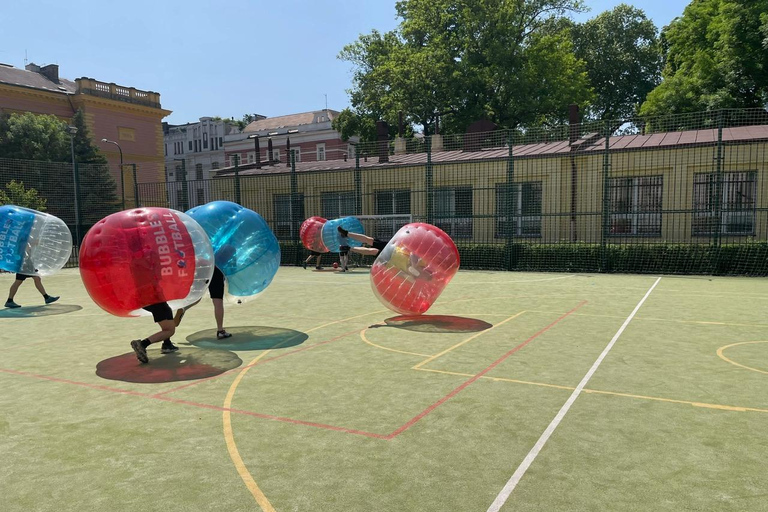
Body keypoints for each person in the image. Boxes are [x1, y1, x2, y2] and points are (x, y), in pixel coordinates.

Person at [173, 266, 232, 340]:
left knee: (197, 297)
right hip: (216, 270)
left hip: (203, 268)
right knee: (218, 302)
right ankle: (220, 331)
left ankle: (184, 307)